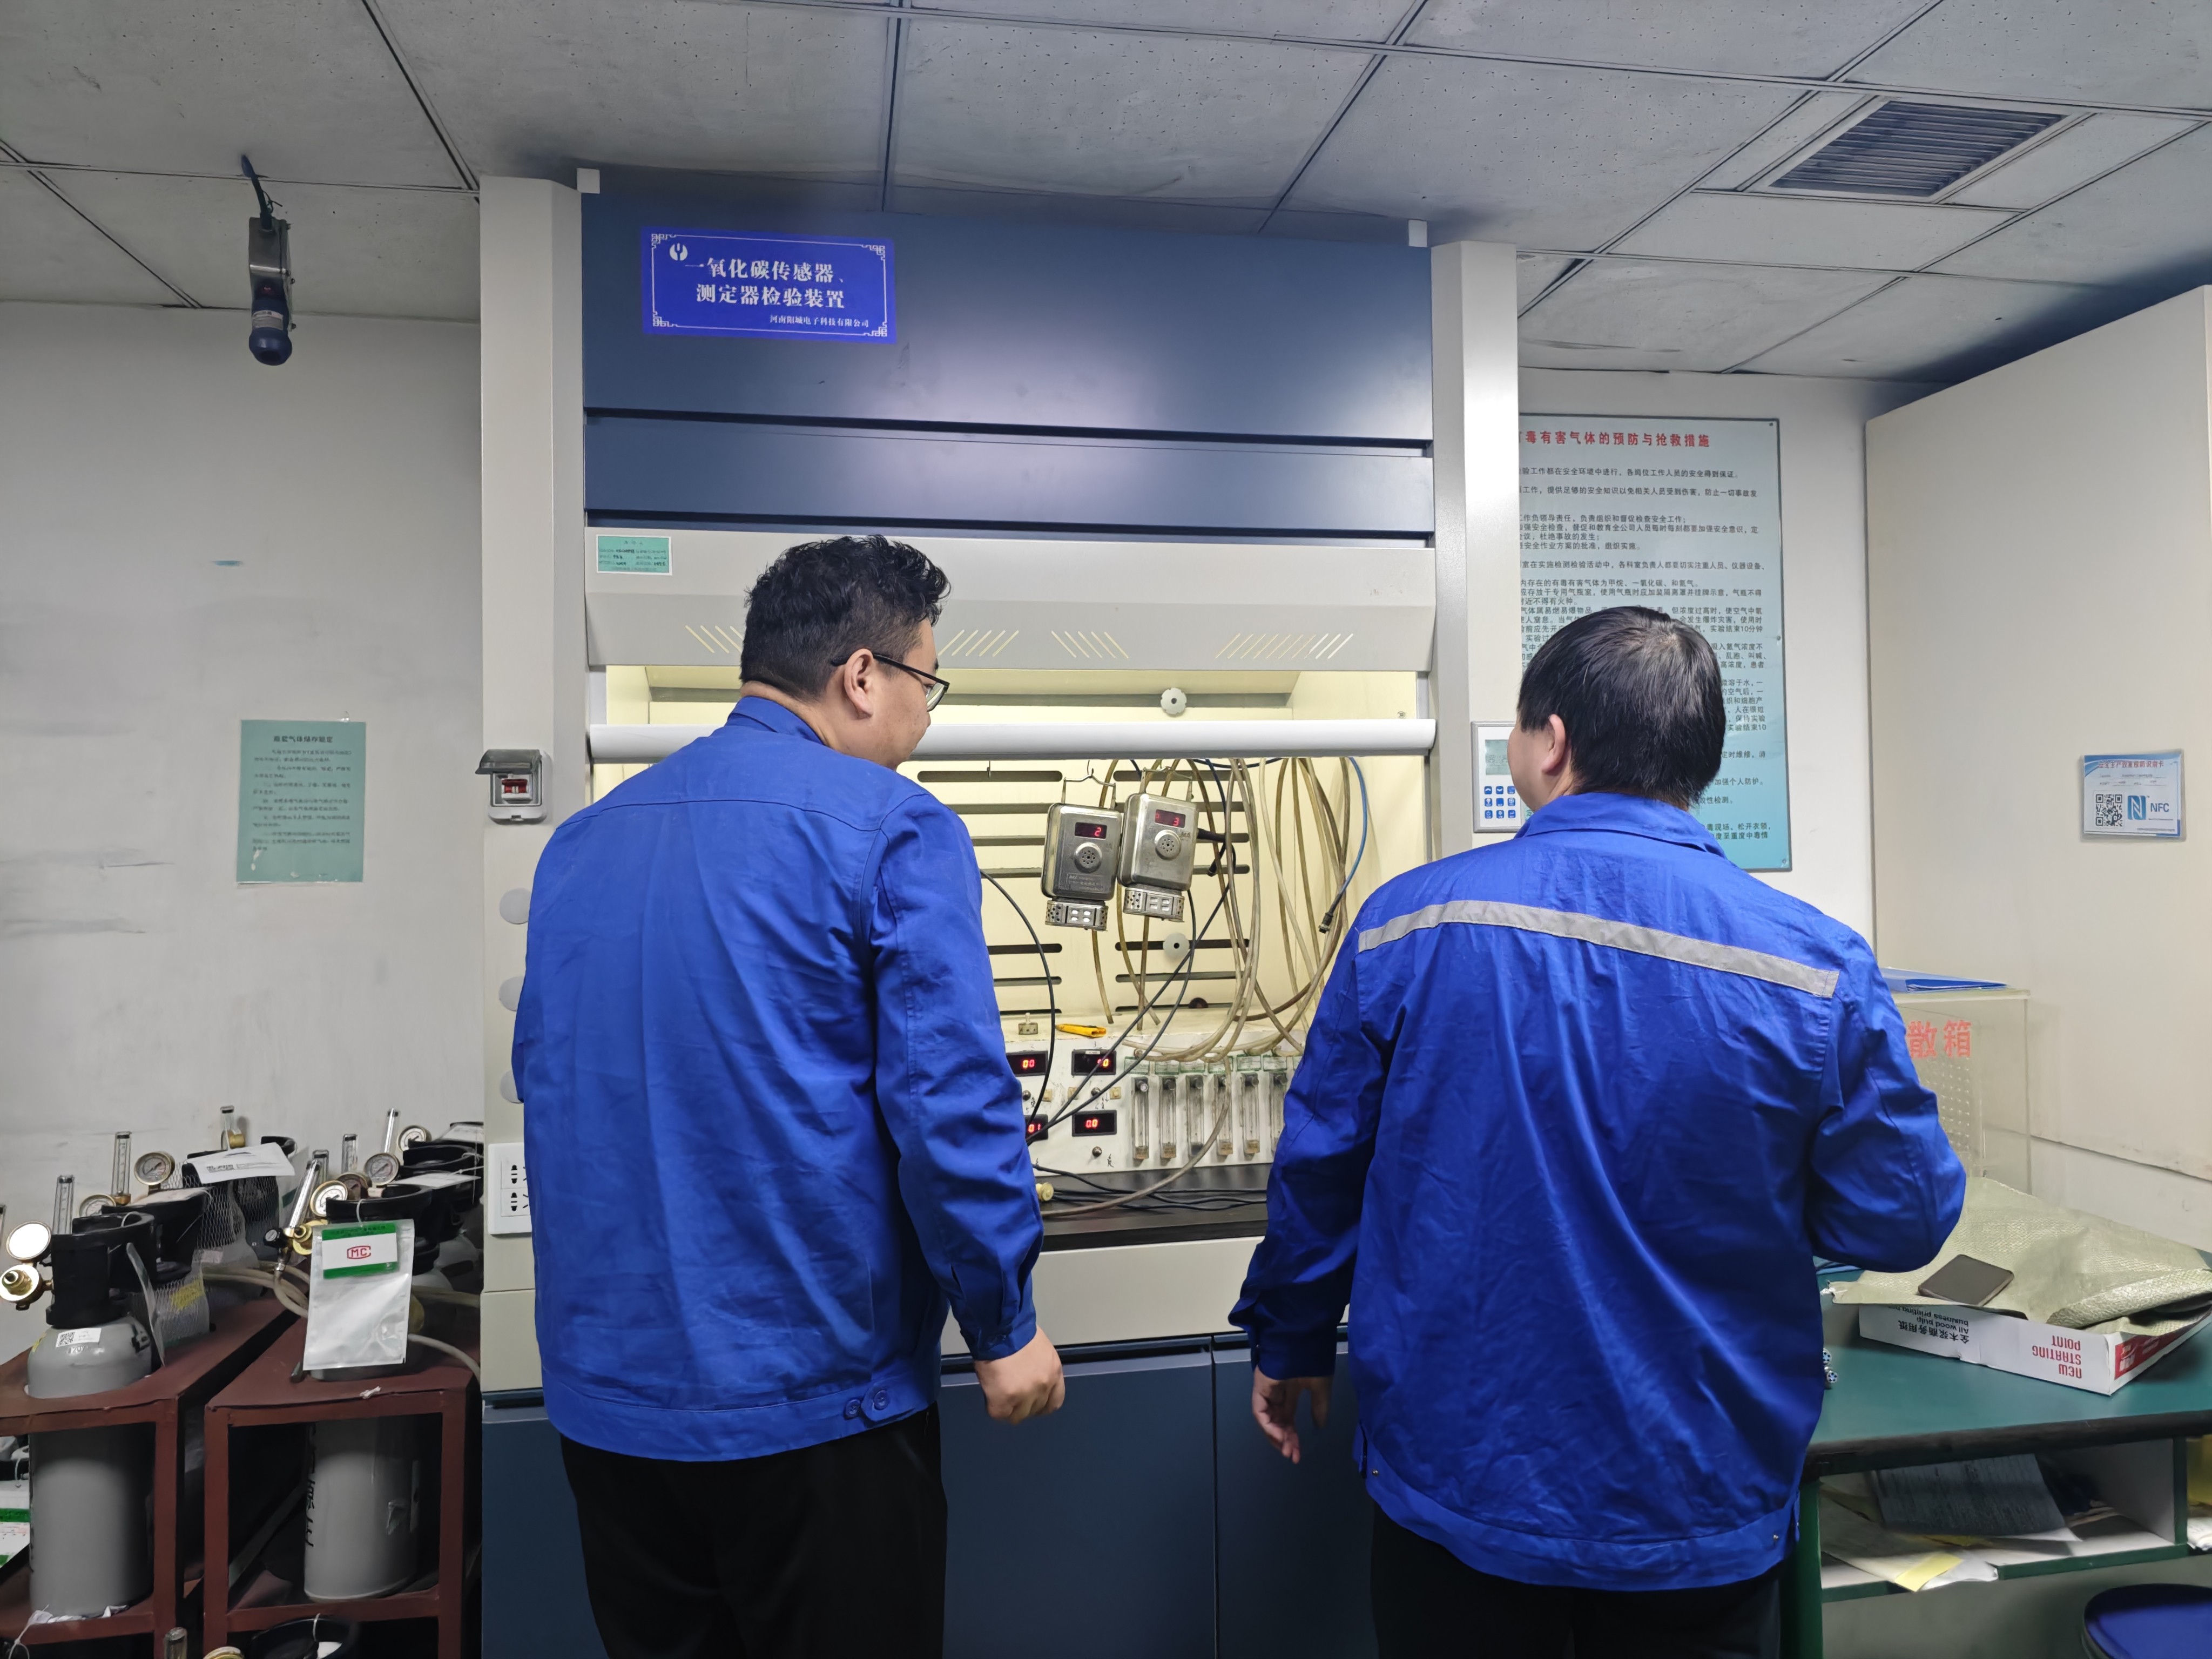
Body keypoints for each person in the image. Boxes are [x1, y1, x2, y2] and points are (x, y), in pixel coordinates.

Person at [1230, 605, 1965, 1658]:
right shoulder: (1813, 966)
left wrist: (1293, 1337)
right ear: (1697, 761)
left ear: (1553, 743)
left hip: (1463, 1482)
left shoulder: (1406, 924)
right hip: (1696, 1495)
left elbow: (1321, 1169)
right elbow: (1900, 1219)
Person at [514, 535, 1064, 1659]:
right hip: (815, 1407)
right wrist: (1001, 1320)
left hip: (612, 1411)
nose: (925, 718)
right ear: (862, 675)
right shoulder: (890, 825)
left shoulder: (581, 842)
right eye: (926, 684)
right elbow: (948, 1106)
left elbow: (553, 1084)